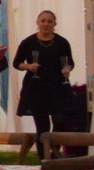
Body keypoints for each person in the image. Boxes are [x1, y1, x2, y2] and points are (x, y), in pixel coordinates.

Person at [13, 9, 75, 138]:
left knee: (60, 121)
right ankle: (43, 151)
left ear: (54, 24)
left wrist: (67, 69)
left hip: (58, 87)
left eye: (49, 21)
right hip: (36, 88)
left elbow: (70, 62)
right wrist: (28, 66)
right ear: (37, 22)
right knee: (42, 126)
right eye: (43, 21)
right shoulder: (28, 42)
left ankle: (54, 150)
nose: (46, 24)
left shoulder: (62, 42)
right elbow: (16, 63)